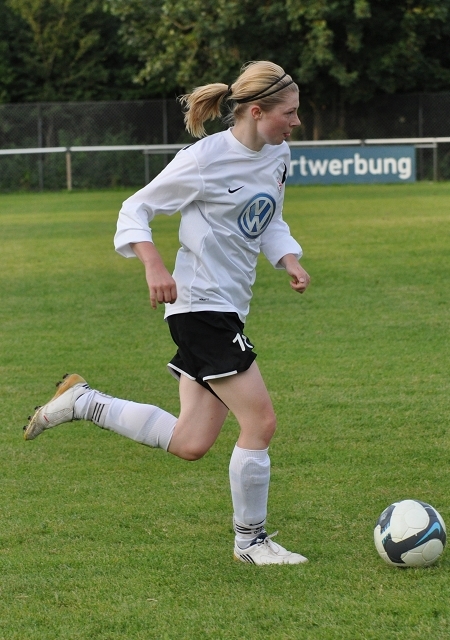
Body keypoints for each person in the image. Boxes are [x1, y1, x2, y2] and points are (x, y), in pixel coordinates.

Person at [23, 60, 311, 565]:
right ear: (257, 111)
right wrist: (153, 264)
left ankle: (82, 401)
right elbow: (135, 210)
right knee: (260, 422)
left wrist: (288, 258)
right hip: (199, 307)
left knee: (190, 441)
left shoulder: (277, 155)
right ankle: (251, 543)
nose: (296, 122)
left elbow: (270, 219)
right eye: (289, 113)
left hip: (226, 309)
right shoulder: (204, 159)